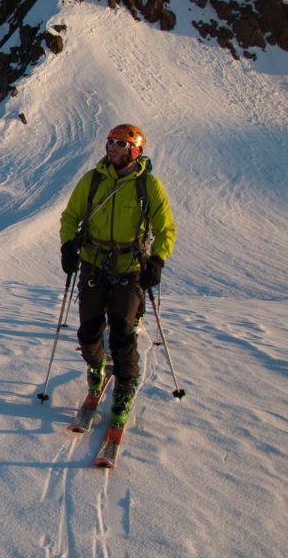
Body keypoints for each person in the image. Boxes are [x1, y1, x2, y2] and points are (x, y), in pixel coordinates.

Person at [59, 124, 176, 426]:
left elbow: (165, 229)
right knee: (88, 331)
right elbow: (71, 217)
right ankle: (97, 365)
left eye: (121, 144)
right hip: (93, 261)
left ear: (135, 151)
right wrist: (68, 246)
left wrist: (158, 261)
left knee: (123, 332)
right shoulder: (92, 180)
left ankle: (124, 386)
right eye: (111, 142)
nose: (112, 147)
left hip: (130, 264)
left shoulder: (148, 186)